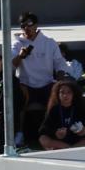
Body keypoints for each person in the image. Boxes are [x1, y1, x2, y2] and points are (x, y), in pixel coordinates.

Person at [11, 11, 68, 140]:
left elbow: (60, 64)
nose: (26, 28)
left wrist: (59, 82)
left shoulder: (49, 42)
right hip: (26, 84)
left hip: (47, 83)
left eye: (29, 24)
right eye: (23, 25)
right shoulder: (17, 44)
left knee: (58, 96)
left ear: (36, 25)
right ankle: (19, 133)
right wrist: (20, 56)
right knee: (18, 97)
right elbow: (11, 65)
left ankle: (55, 132)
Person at [39, 79, 85, 149]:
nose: (65, 95)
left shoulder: (81, 107)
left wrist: (84, 131)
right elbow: (43, 129)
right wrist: (56, 133)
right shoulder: (54, 109)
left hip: (79, 140)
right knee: (43, 139)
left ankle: (72, 148)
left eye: (69, 92)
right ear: (57, 94)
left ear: (74, 94)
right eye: (62, 92)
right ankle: (71, 148)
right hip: (61, 141)